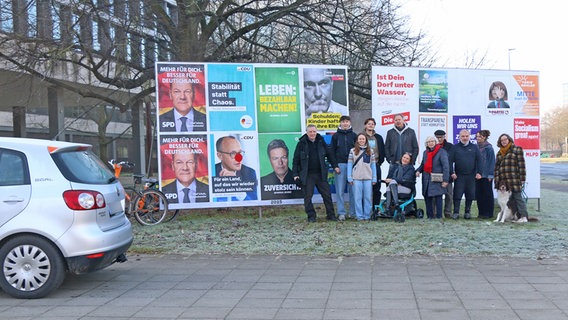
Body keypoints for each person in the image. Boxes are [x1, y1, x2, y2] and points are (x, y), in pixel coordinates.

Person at [292, 124, 338, 222]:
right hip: (307, 175)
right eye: (310, 132)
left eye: (314, 131)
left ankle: (331, 215)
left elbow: (330, 155)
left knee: (327, 195)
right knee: (308, 197)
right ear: (307, 132)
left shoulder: (321, 141)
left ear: (316, 132)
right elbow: (296, 160)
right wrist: (295, 174)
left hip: (320, 173)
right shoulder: (301, 143)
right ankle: (311, 216)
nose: (312, 133)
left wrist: (335, 166)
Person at [494, 133, 529, 223]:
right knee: (507, 202)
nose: (504, 141)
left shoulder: (517, 149)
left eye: (505, 139)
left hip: (514, 180)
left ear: (509, 140)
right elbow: (496, 168)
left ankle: (524, 217)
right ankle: (509, 217)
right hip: (503, 181)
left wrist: (522, 178)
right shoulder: (499, 153)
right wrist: (497, 180)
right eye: (502, 140)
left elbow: (521, 165)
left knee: (518, 198)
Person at [450, 129, 482, 219]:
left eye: (466, 136)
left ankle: (467, 212)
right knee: (457, 194)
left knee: (470, 194)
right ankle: (456, 212)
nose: (465, 138)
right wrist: (452, 172)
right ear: (459, 137)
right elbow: (449, 161)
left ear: (469, 136)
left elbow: (479, 160)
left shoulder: (474, 147)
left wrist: (479, 172)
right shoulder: (455, 148)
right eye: (463, 136)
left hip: (471, 176)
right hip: (459, 176)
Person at [330, 115, 357, 220]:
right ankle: (341, 213)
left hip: (353, 166)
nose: (345, 123)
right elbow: (331, 152)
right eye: (343, 122)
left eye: (347, 121)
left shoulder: (354, 135)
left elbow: (358, 152)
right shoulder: (335, 136)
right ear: (340, 123)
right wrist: (335, 166)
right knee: (340, 191)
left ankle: (353, 212)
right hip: (340, 166)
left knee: (353, 191)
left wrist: (356, 166)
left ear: (350, 123)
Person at [215, 136, 257, 200]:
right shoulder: (211, 172)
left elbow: (253, 201)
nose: (239, 158)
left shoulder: (250, 173)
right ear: (220, 156)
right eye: (233, 153)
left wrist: (236, 184)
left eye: (240, 152)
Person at [416, 136, 449, 219]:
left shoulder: (442, 152)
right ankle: (430, 216)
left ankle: (439, 216)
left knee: (438, 197)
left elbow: (446, 166)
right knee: (427, 197)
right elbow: (423, 164)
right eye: (428, 142)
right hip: (426, 178)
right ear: (426, 144)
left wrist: (445, 180)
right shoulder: (425, 152)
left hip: (437, 178)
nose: (430, 143)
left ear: (435, 142)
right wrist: (418, 171)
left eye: (432, 141)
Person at [347, 133, 377, 221]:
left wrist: (374, 177)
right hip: (356, 178)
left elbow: (373, 165)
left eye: (363, 139)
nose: (361, 140)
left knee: (368, 198)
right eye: (360, 139)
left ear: (366, 140)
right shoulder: (352, 151)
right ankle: (359, 216)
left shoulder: (370, 151)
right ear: (357, 140)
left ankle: (367, 215)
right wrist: (349, 177)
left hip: (368, 177)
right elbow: (349, 164)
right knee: (357, 198)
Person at [363, 118, 386, 210]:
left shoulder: (379, 137)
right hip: (364, 166)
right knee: (366, 188)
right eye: (369, 124)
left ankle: (375, 208)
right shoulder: (361, 136)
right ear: (365, 125)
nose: (370, 125)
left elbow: (382, 151)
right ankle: (366, 209)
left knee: (377, 187)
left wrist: (379, 162)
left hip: (376, 165)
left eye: (372, 124)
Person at [475, 130, 496, 219]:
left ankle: (488, 213)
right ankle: (481, 212)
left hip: (486, 175)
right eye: (477, 136)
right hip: (478, 175)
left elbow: (492, 162)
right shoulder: (475, 147)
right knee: (479, 194)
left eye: (479, 136)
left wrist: (490, 175)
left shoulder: (489, 148)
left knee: (487, 194)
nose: (478, 138)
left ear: (484, 137)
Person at [435, 129, 454, 218]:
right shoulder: (432, 146)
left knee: (449, 195)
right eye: (437, 137)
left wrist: (453, 172)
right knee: (435, 195)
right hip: (436, 174)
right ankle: (435, 212)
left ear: (444, 137)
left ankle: (448, 212)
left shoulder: (450, 146)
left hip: (448, 173)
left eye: (441, 137)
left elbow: (454, 160)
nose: (439, 139)